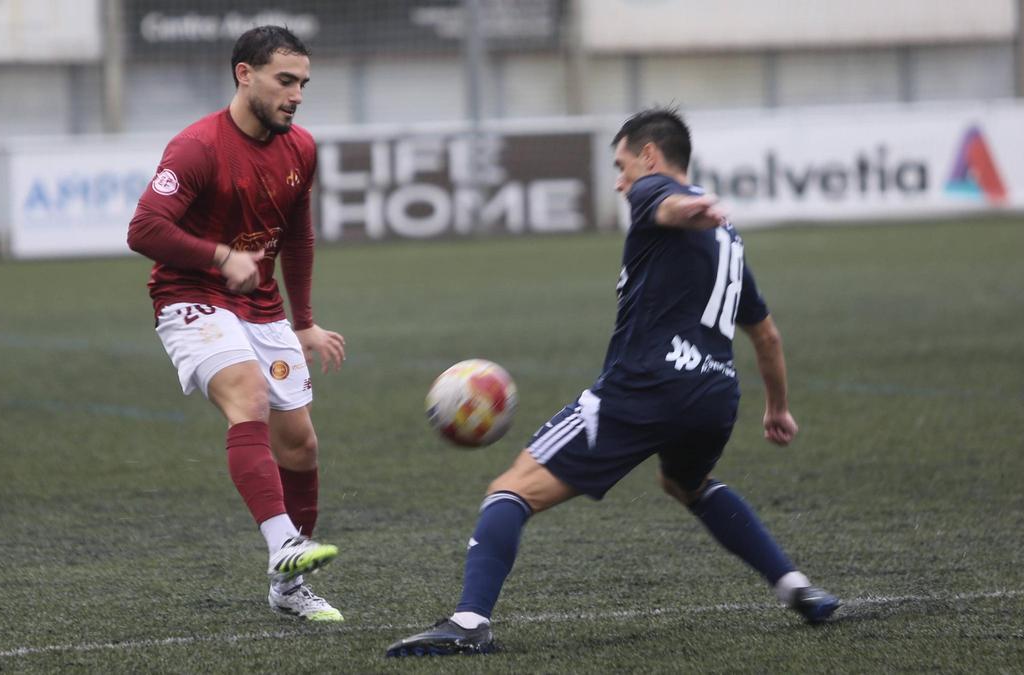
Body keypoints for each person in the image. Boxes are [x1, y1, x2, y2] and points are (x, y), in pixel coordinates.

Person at [386, 107, 839, 656]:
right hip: (715, 396)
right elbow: (766, 335)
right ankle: (796, 587)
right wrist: (778, 408)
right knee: (688, 484)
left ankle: (469, 622)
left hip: (644, 387)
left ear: (649, 156)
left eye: (621, 166)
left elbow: (665, 203)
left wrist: (687, 208)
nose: (621, 181)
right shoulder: (728, 238)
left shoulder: (654, 193)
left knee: (511, 489)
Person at [127, 26, 346, 623]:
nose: (296, 95)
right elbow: (143, 229)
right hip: (190, 296)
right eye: (285, 81)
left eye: (303, 84)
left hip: (262, 307)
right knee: (248, 397)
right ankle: (284, 544)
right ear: (244, 74)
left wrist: (305, 322)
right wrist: (221, 256)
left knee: (300, 443)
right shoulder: (197, 147)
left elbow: (298, 237)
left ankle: (289, 588)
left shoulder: (301, 148)